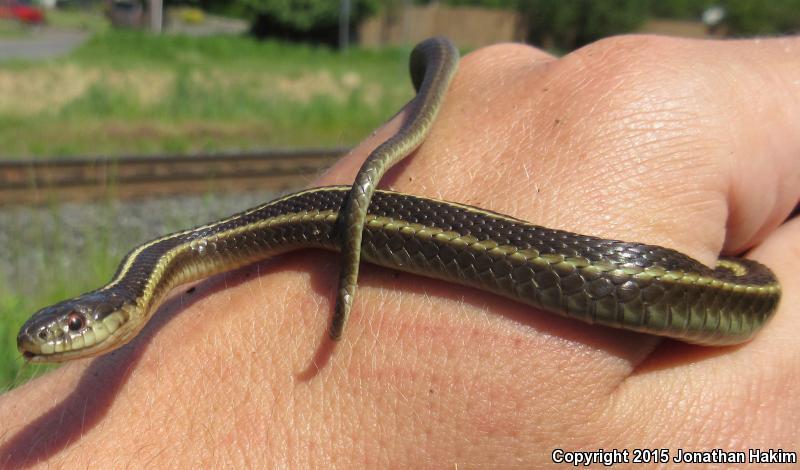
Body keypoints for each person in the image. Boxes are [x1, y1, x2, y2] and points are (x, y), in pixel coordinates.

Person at [0, 35, 797, 467]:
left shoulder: (156, 268)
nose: (55, 337)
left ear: (109, 311)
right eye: (64, 331)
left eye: (70, 327)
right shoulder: (161, 267)